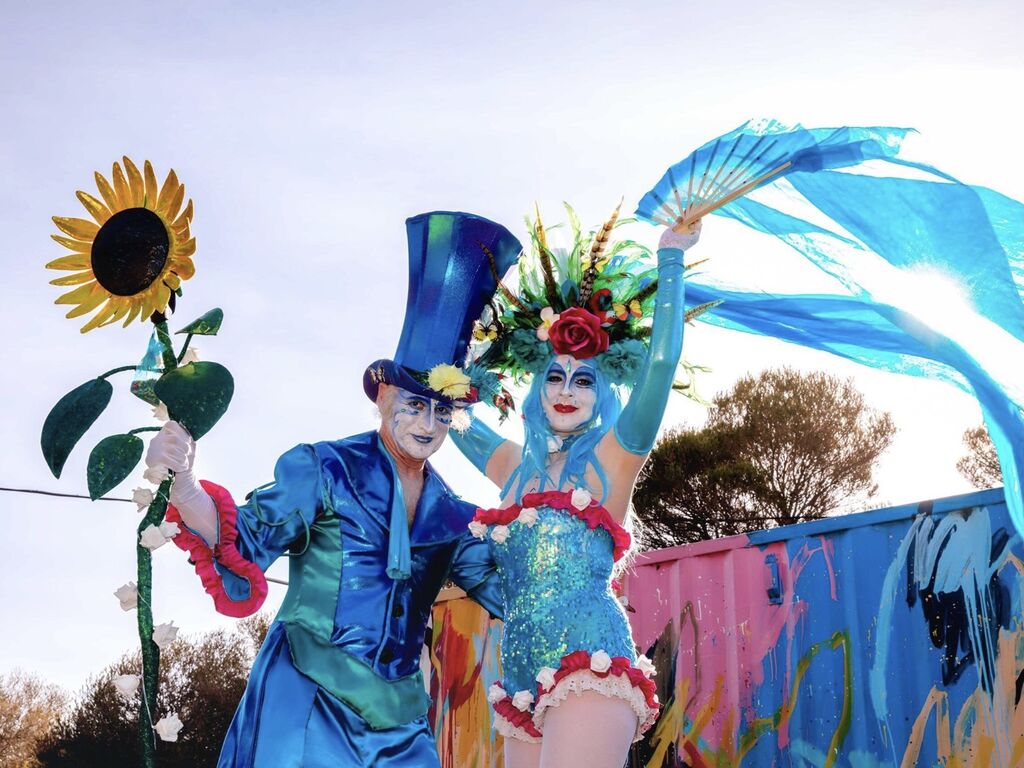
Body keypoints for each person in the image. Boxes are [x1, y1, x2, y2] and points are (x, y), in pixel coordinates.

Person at [145, 211, 521, 767]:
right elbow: (245, 535)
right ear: (383, 396)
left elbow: (511, 589)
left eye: (443, 411)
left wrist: (564, 513)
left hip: (399, 722)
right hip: (307, 693)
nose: (427, 423)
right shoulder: (325, 470)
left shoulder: (454, 517)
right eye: (415, 404)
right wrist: (182, 483)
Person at [451, 208, 701, 768]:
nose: (567, 391)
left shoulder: (614, 457)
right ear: (537, 390)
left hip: (591, 664)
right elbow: (451, 417)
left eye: (583, 379)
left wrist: (671, 258)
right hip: (519, 678)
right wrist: (452, 347)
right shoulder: (513, 468)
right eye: (554, 377)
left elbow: (659, 369)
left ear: (603, 392)